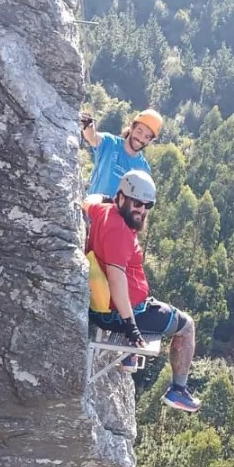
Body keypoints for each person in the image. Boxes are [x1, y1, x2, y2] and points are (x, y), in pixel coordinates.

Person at [84, 169, 201, 413]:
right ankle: (178, 390)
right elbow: (116, 280)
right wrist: (130, 325)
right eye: (137, 203)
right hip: (120, 313)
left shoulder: (106, 211)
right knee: (186, 326)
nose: (142, 210)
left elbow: (90, 200)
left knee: (148, 300)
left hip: (110, 307)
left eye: (148, 205)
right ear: (122, 197)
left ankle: (128, 356)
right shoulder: (118, 231)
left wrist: (106, 198)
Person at [80, 108, 162, 199]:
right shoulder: (110, 143)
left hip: (115, 213)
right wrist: (87, 123)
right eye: (139, 131)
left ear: (149, 141)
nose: (141, 139)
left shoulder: (143, 169)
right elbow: (92, 137)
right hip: (91, 209)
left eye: (147, 137)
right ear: (132, 127)